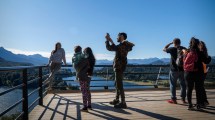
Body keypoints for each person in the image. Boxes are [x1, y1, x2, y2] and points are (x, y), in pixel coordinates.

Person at [105, 32, 134, 108]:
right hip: (119, 67)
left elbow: (111, 48)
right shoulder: (124, 45)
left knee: (119, 85)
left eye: (118, 36)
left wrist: (109, 40)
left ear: (121, 36)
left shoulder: (124, 46)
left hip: (119, 67)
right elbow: (113, 48)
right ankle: (117, 99)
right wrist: (109, 40)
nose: (116, 38)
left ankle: (123, 102)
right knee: (117, 84)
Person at [183, 37, 211, 110]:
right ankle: (198, 105)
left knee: (189, 89)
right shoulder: (200, 52)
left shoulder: (187, 52)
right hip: (198, 73)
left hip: (188, 73)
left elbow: (183, 62)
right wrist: (209, 57)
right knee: (198, 89)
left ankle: (190, 105)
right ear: (198, 44)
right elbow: (206, 61)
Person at [163, 38, 187, 104]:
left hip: (174, 70)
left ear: (174, 43)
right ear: (180, 42)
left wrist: (170, 43)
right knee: (183, 84)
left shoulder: (172, 49)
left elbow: (164, 49)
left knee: (173, 84)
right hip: (182, 70)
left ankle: (174, 99)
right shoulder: (184, 48)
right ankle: (183, 99)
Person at [72, 46, 91, 112]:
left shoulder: (74, 58)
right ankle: (89, 105)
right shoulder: (85, 58)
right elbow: (88, 66)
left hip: (81, 76)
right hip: (87, 75)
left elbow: (75, 67)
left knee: (84, 91)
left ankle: (85, 107)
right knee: (87, 90)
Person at [198, 41, 211, 106]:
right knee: (201, 86)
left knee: (200, 87)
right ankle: (204, 101)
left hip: (200, 71)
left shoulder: (200, 53)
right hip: (204, 71)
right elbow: (207, 61)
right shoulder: (205, 53)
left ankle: (203, 101)